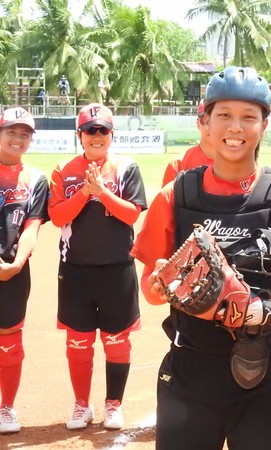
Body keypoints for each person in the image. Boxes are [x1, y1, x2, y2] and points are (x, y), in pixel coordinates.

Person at [131, 66, 271, 450]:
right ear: (205, 122)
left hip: (265, 372)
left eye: (248, 117)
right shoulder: (176, 195)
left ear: (264, 125)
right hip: (190, 369)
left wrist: (260, 310)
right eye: (223, 115)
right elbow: (151, 289)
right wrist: (161, 286)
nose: (235, 127)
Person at [47, 103, 147, 430]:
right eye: (90, 130)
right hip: (75, 269)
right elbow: (58, 216)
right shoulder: (64, 169)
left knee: (117, 340)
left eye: (103, 130)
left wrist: (101, 192)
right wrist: (85, 194)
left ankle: (113, 405)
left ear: (112, 134)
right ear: (80, 135)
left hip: (117, 268)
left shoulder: (126, 167)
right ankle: (81, 405)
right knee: (78, 341)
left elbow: (132, 213)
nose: (97, 135)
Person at [0, 107, 49, 434]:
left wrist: (17, 263)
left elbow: (32, 225)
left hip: (13, 273)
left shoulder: (35, 179)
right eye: (11, 132)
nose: (18, 139)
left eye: (25, 134)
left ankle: (6, 409)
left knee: (9, 340)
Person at [161, 99, 214, 187]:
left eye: (215, 121)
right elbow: (167, 199)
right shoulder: (178, 164)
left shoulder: (236, 162)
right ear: (197, 124)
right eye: (205, 121)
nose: (210, 127)